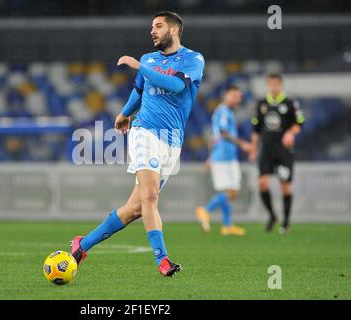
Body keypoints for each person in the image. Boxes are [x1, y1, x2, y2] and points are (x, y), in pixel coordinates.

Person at [70, 11, 205, 276]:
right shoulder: (148, 59)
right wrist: (125, 113)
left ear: (174, 30)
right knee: (151, 196)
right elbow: (140, 91)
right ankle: (162, 260)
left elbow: (176, 86)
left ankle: (81, 245)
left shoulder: (192, 59)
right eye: (151, 27)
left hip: (172, 141)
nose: (152, 31)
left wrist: (141, 67)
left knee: (134, 209)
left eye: (158, 26)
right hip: (145, 132)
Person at [249, 73, 305, 233]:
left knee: (285, 186)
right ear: (268, 85)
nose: (274, 87)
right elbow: (256, 129)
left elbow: (299, 123)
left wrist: (290, 133)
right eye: (271, 84)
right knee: (262, 183)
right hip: (266, 150)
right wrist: (253, 148)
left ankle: (286, 222)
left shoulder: (290, 103)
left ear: (280, 85)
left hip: (283, 151)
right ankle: (273, 215)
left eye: (276, 84)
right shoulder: (261, 103)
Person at [195, 86, 252, 236]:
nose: (237, 99)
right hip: (224, 158)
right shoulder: (224, 112)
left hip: (223, 156)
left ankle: (227, 225)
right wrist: (243, 144)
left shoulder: (222, 112)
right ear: (225, 95)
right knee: (233, 191)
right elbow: (223, 132)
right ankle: (205, 210)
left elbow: (214, 138)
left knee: (227, 191)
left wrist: (210, 156)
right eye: (234, 95)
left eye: (239, 97)